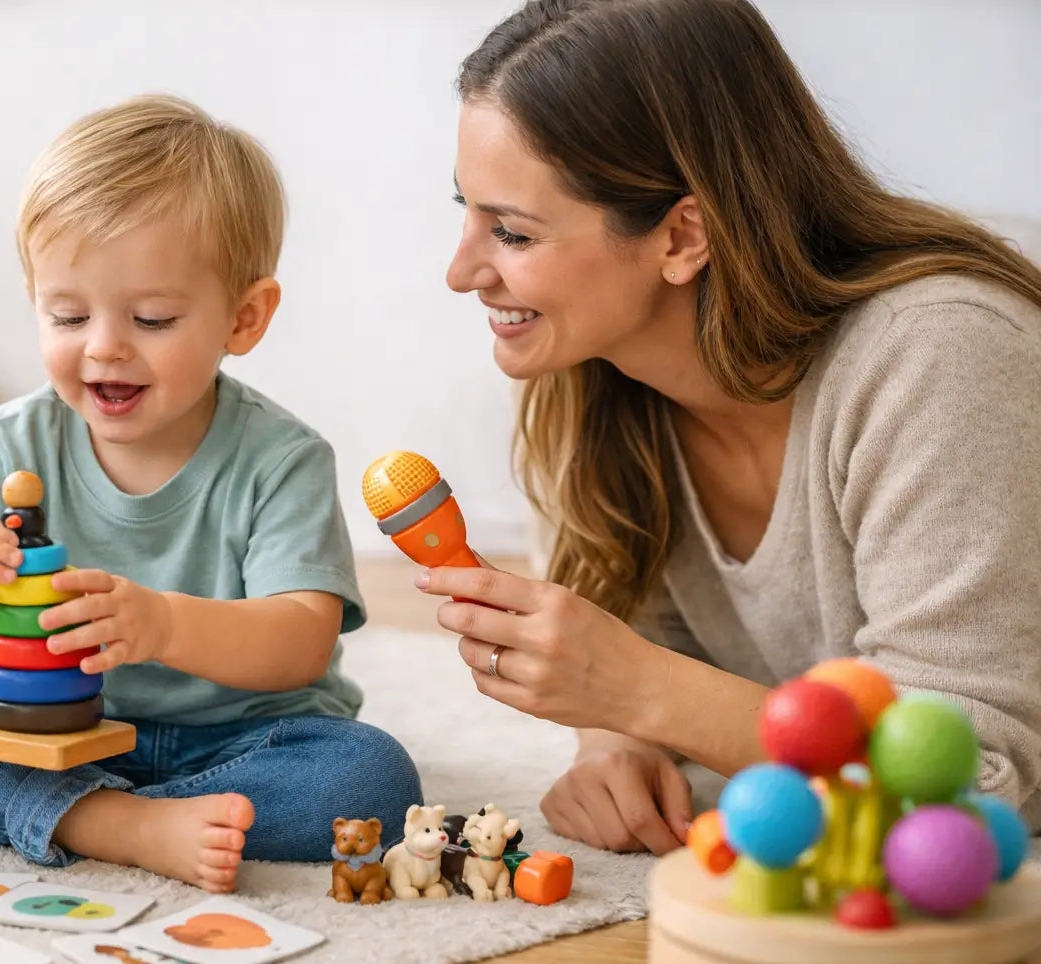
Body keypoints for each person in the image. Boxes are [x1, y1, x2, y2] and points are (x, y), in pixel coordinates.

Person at [423, 0, 1041, 855]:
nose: (461, 273)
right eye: (467, 210)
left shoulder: (940, 357)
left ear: (681, 236)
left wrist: (638, 690)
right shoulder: (584, 373)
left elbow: (970, 783)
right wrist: (616, 741)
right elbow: (640, 636)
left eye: (512, 233)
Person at [0, 94, 422, 892]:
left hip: (243, 738)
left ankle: (77, 812)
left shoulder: (282, 459)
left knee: (369, 779)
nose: (104, 347)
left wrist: (163, 624)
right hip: (51, 728)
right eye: (68, 315)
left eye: (151, 319)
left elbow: (300, 642)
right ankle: (113, 822)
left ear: (244, 318)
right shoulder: (11, 442)